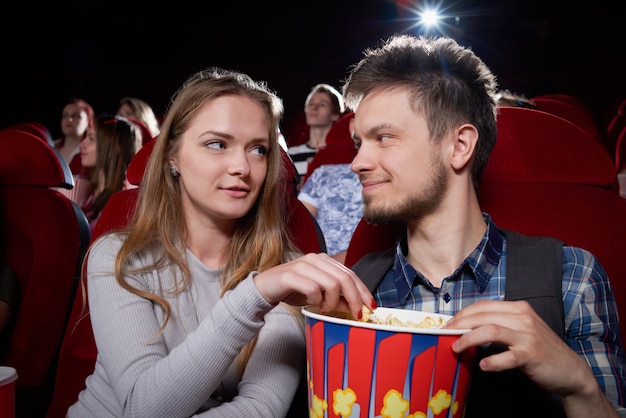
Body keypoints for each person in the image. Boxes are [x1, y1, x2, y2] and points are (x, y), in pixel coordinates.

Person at [343, 34, 626, 417]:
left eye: (384, 137)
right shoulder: (352, 289)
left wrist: (580, 386)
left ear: (459, 146)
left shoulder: (571, 275)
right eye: (359, 142)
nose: (357, 162)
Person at [68, 67, 374, 417]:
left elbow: (261, 408)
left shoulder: (285, 271)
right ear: (172, 156)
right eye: (217, 144)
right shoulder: (117, 255)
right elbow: (143, 409)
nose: (241, 166)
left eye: (259, 149)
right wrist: (256, 295)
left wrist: (266, 287)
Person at [298, 113, 362, 264]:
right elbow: (300, 223)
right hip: (319, 262)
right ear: (352, 125)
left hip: (366, 263)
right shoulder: (322, 173)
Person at [78, 114, 142, 231]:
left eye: (91, 138)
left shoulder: (124, 198)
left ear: (115, 145)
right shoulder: (86, 190)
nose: (81, 144)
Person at [287, 83, 345, 190]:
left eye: (322, 104)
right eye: (311, 103)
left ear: (335, 114)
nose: (314, 107)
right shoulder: (291, 155)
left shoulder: (344, 154)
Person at [53, 97, 95, 176]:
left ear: (88, 122)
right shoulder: (50, 146)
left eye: (76, 116)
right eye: (65, 115)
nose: (69, 119)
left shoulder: (89, 154)